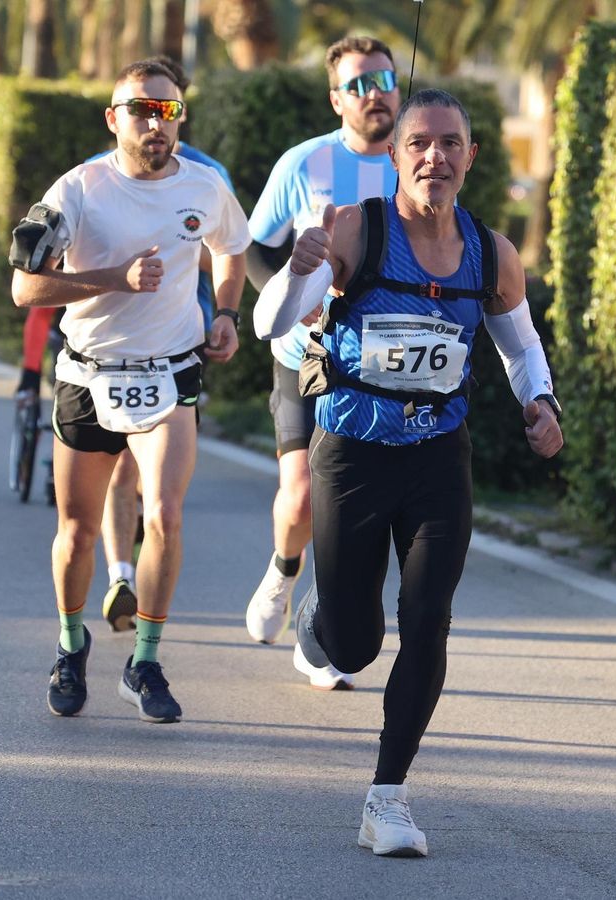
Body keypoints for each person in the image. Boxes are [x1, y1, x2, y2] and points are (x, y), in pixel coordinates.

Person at [254, 89, 563, 857]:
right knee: (353, 647)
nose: (436, 156)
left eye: (451, 143)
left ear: (471, 156)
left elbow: (519, 346)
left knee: (428, 619)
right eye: (420, 142)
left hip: (435, 456)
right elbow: (273, 322)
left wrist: (540, 402)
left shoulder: (493, 253)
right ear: (395, 156)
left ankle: (386, 797)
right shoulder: (356, 229)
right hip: (352, 451)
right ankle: (318, 615)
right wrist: (298, 272)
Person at [11, 59, 249, 724]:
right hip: (89, 375)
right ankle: (70, 645)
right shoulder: (78, 191)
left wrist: (225, 314)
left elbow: (232, 249)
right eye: (141, 109)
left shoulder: (205, 187)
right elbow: (24, 288)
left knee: (166, 519)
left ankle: (144, 660)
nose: (155, 122)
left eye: (167, 110)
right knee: (78, 532)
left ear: (180, 119)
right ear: (113, 119)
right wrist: (113, 277)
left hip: (170, 373)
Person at [242, 36, 402, 691]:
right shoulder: (305, 164)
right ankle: (283, 571)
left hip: (384, 360)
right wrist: (290, 295)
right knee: (303, 495)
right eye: (358, 84)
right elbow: (254, 251)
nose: (374, 93)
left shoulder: (416, 164)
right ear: (337, 99)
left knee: (353, 508)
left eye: (383, 78)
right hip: (306, 353)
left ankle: (319, 634)